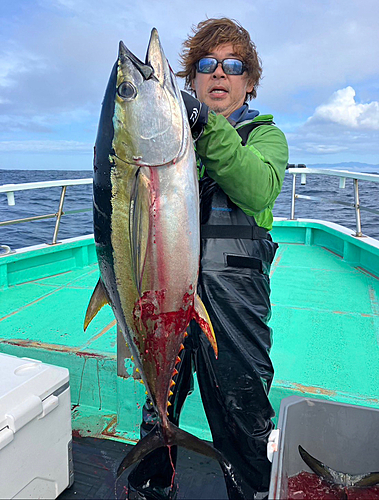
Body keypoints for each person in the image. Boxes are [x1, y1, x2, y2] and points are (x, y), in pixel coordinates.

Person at [128, 17, 289, 500]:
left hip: (235, 306)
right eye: (206, 64)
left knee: (243, 417)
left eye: (233, 65)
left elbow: (256, 185)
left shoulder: (266, 139)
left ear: (250, 82)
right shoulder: (171, 142)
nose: (219, 73)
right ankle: (152, 486)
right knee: (158, 413)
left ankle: (252, 492)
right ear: (190, 80)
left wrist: (204, 125)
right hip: (165, 295)